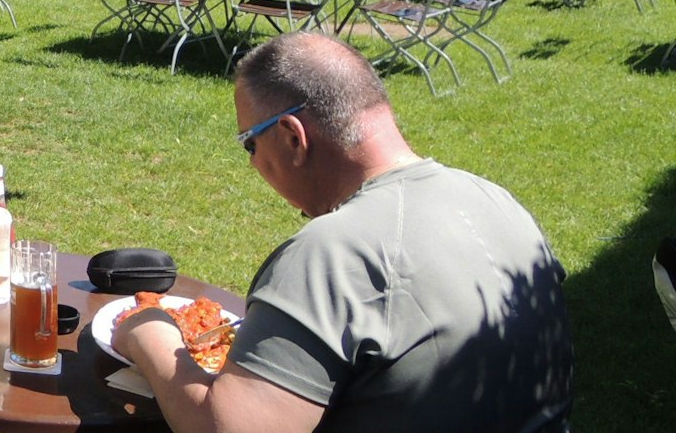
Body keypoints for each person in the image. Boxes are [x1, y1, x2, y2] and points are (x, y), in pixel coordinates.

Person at [113, 32, 572, 433]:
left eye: (249, 143)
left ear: (292, 137)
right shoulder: (498, 202)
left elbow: (228, 427)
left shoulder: (329, 254)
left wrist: (148, 333)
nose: (252, 162)